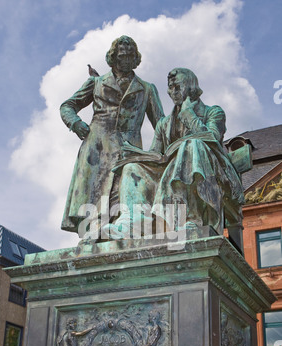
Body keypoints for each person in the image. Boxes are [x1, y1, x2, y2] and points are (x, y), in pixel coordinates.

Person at [105, 68, 244, 239]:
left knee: (191, 145)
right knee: (132, 167)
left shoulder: (213, 112)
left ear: (191, 87)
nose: (173, 92)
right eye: (170, 88)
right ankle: (133, 219)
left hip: (209, 168)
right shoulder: (164, 123)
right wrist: (137, 156)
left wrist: (189, 116)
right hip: (168, 169)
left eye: (177, 87)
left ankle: (193, 218)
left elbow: (213, 139)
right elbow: (155, 154)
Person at [60, 36, 164, 239]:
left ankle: (118, 233)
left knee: (123, 196)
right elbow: (67, 105)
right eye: (121, 55)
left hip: (129, 149)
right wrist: (75, 123)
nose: (125, 59)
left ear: (136, 59)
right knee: (95, 196)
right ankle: (93, 234)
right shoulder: (96, 83)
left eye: (130, 56)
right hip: (97, 147)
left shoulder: (147, 89)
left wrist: (157, 153)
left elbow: (161, 124)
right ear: (113, 57)